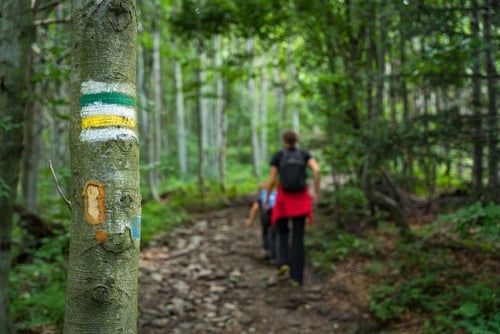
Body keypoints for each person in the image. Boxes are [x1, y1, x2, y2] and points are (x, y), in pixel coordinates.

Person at [265, 130, 320, 286]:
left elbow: (271, 180)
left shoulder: (279, 155)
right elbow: (317, 170)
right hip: (301, 199)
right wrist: (315, 192)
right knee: (298, 236)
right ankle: (297, 277)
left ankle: (282, 261)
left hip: (283, 199)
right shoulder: (304, 154)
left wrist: (268, 198)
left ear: (284, 140)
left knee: (281, 230)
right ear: (296, 140)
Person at [245, 184, 278, 262]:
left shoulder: (261, 197)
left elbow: (254, 208)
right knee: (274, 234)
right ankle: (275, 254)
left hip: (265, 216)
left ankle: (266, 250)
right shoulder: (275, 195)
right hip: (276, 216)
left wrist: (250, 220)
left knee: (265, 232)